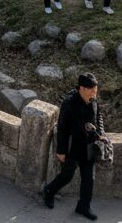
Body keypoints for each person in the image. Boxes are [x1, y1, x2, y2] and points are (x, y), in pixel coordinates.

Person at [42, 73, 104, 220]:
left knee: (89, 178)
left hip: (89, 145)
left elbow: (99, 116)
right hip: (73, 146)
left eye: (95, 90)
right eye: (92, 90)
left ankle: (83, 206)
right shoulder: (69, 103)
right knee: (67, 175)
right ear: (82, 88)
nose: (94, 94)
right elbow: (62, 128)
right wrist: (61, 151)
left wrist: (100, 132)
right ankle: (49, 191)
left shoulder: (93, 100)